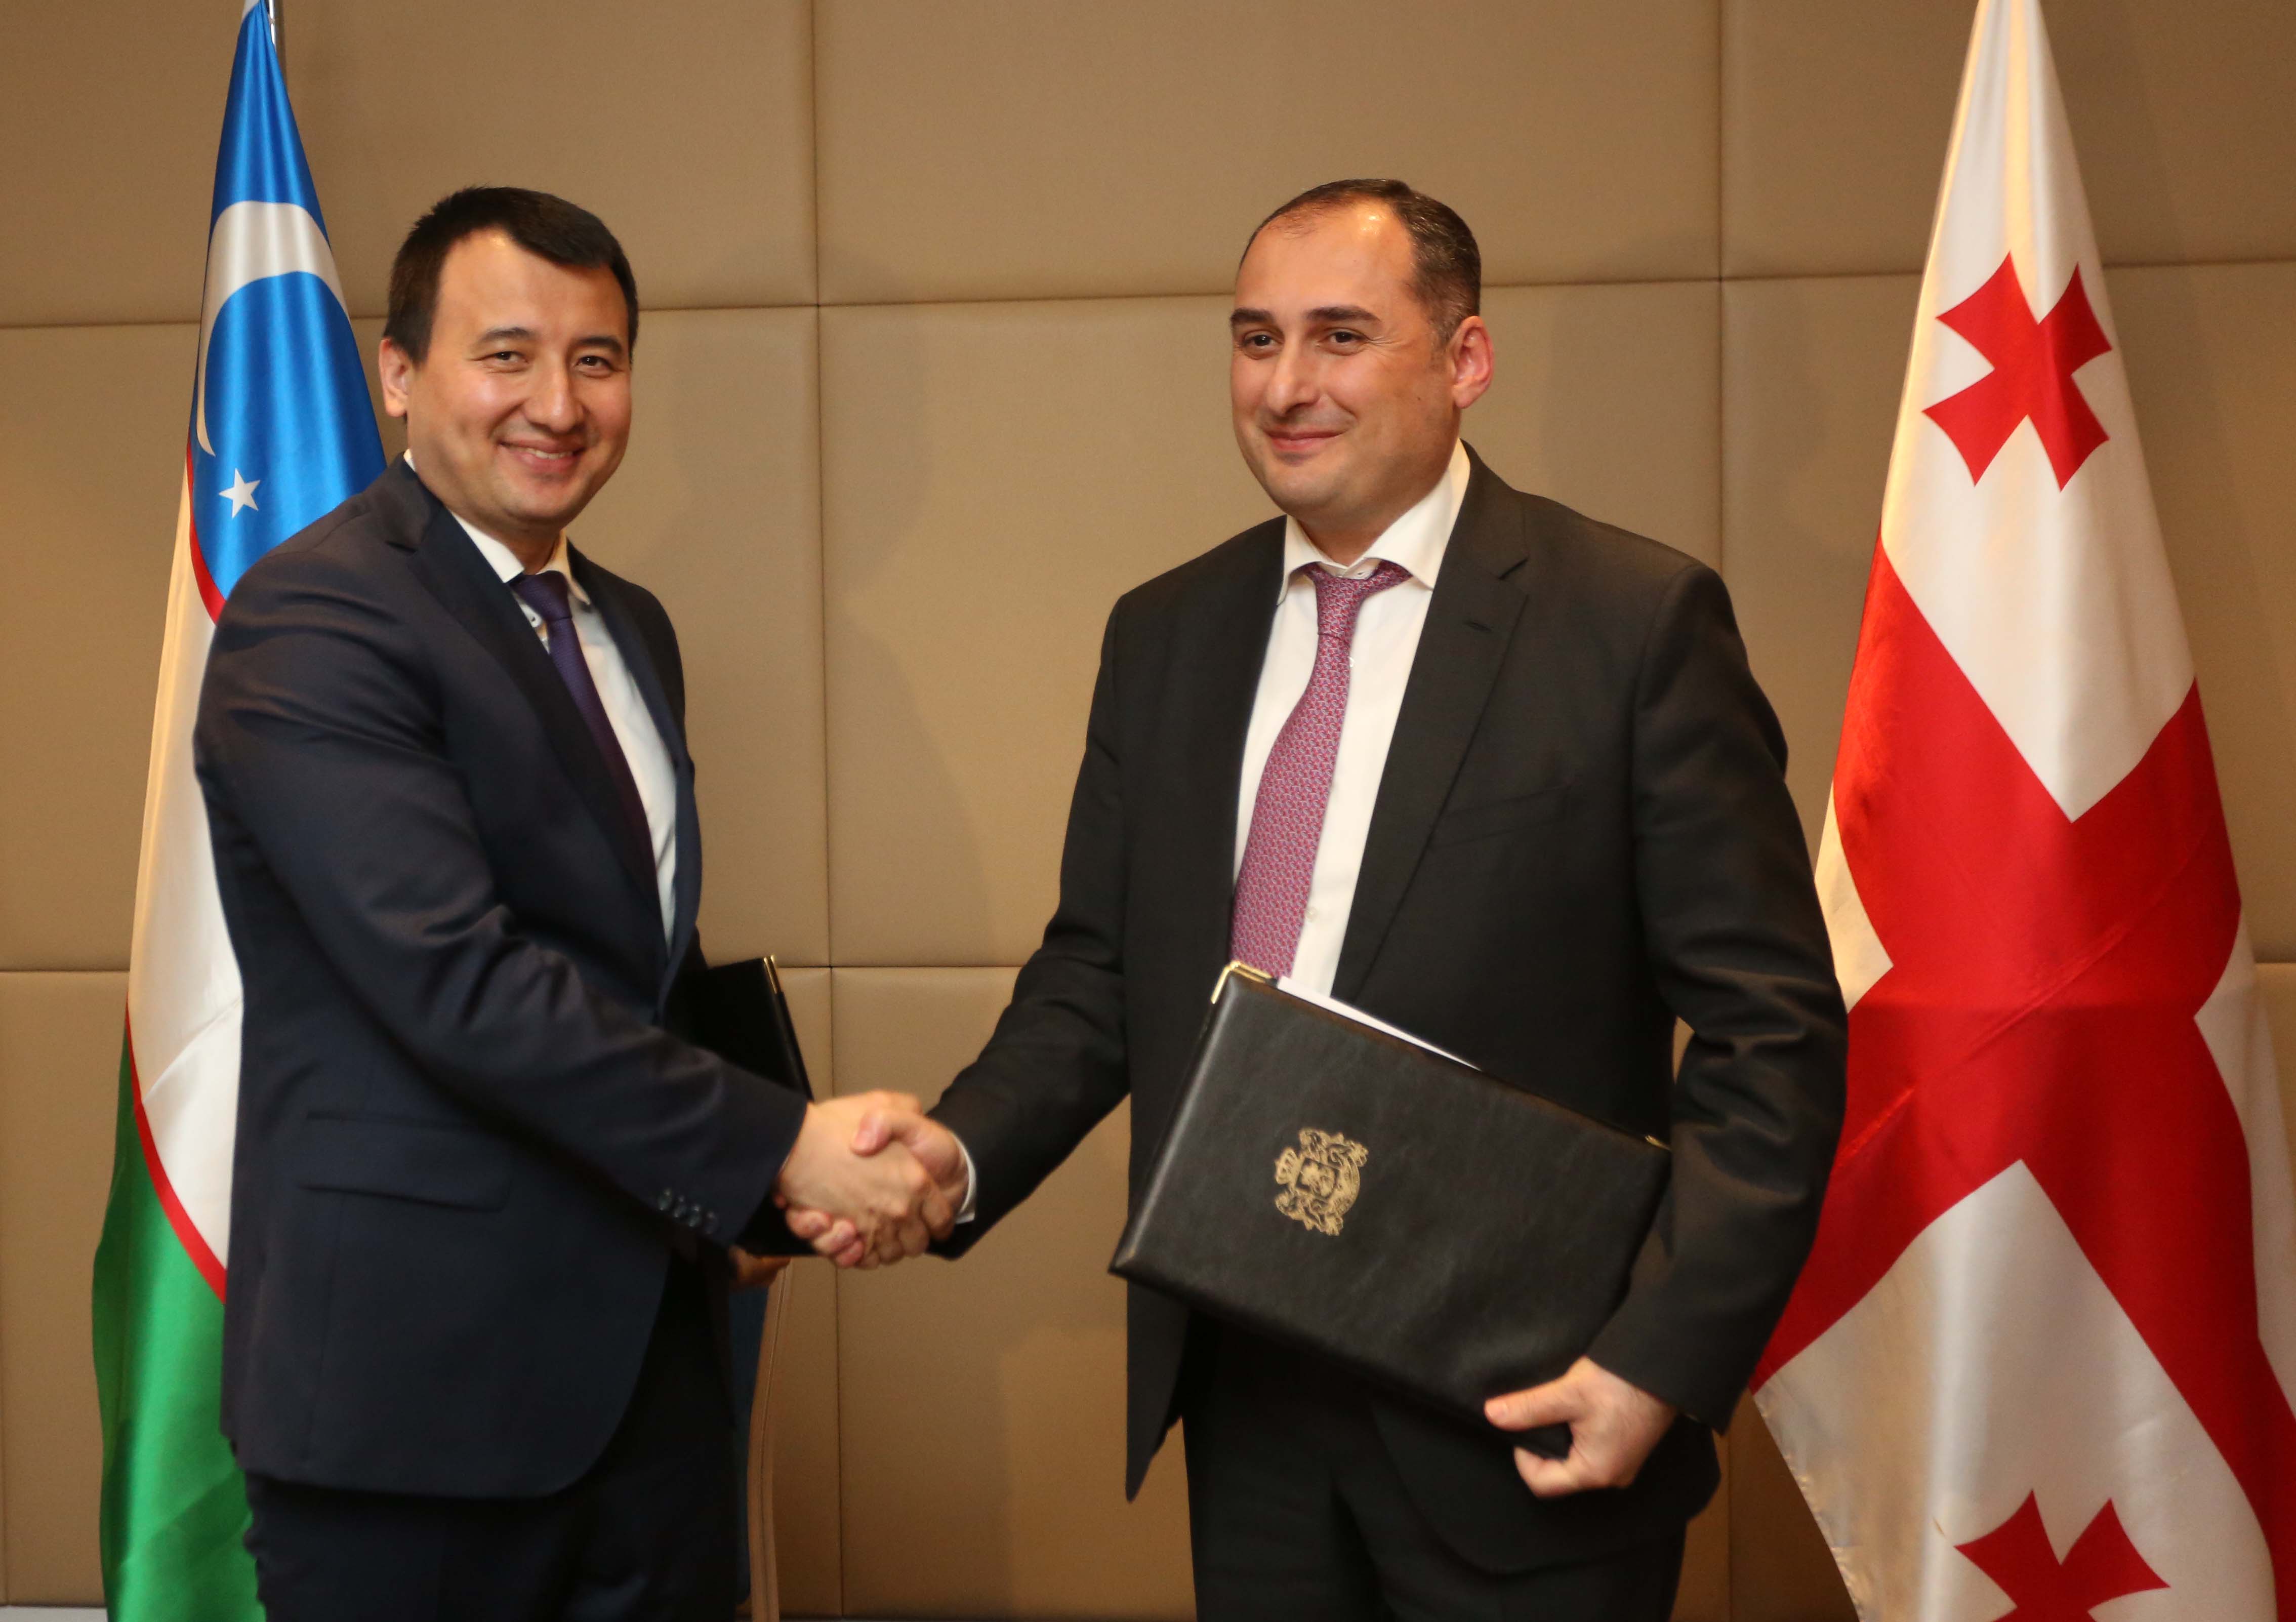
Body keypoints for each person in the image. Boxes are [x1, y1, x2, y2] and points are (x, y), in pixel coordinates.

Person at [795, 180, 1848, 1618]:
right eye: (1256, 339)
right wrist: (955, 1155)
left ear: (1465, 359)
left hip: (1528, 1400)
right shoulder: (1166, 633)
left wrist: (1661, 1355)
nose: (1287, 385)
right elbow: (1102, 973)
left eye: (1341, 336)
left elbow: (1771, 1032)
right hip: (1248, 1388)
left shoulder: (1632, 623)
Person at [194, 186, 945, 1622]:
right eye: (507, 356)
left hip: (649, 1376)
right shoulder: (319, 616)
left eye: (596, 360)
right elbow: (456, 978)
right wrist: (780, 1143)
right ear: (399, 374)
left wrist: (756, 1184)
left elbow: (628, 963)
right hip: (415, 1398)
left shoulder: (629, 624)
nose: (558, 404)